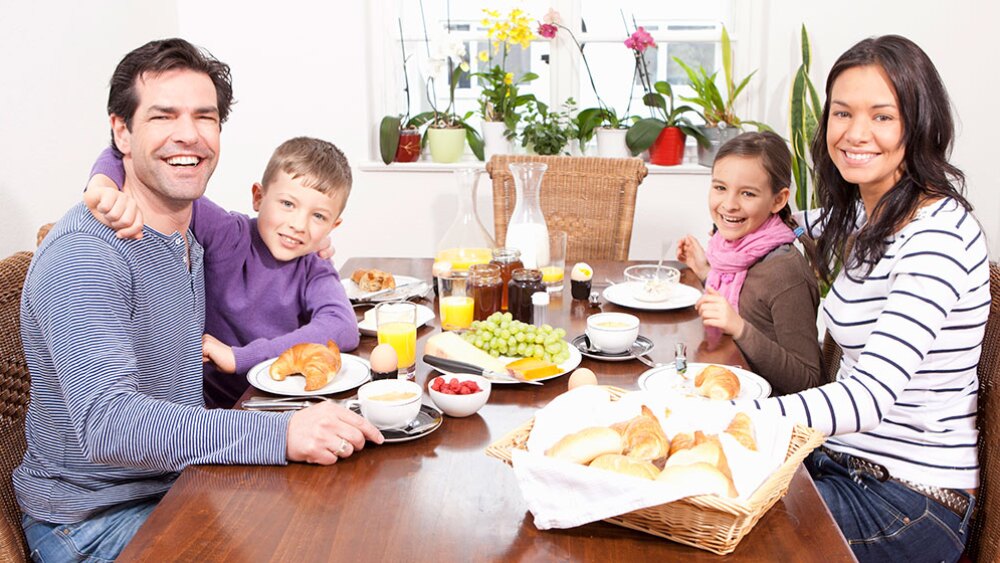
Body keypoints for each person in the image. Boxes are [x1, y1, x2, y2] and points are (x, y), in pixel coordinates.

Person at [16, 38, 382, 561]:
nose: (188, 134)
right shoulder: (87, 255)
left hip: (180, 480)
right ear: (121, 131)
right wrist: (278, 433)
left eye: (204, 117)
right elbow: (110, 425)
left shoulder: (189, 235)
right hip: (95, 520)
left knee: (345, 524)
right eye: (163, 116)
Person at [743, 35, 988, 563]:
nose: (855, 133)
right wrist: (741, 214)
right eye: (841, 113)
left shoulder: (936, 238)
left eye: (882, 116)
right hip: (839, 464)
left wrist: (741, 413)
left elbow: (868, 397)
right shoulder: (867, 214)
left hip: (910, 500)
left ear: (918, 125)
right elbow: (794, 221)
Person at [84, 135, 360, 409]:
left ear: (333, 226)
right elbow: (127, 152)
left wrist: (241, 356)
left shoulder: (314, 265)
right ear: (258, 197)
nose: (298, 224)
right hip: (202, 407)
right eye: (287, 204)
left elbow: (343, 327)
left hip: (277, 403)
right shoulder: (227, 234)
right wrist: (102, 187)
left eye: (318, 216)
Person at [676, 131, 822, 395]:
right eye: (720, 188)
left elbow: (808, 381)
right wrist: (706, 272)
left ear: (778, 200)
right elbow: (749, 303)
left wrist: (740, 329)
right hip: (730, 387)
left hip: (767, 412)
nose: (729, 205)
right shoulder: (735, 251)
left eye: (748, 194)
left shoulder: (786, 273)